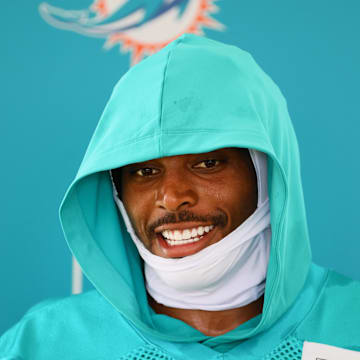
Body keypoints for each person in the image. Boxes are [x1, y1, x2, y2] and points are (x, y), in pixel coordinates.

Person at [1, 34, 360, 359]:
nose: (172, 197)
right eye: (145, 171)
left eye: (207, 163)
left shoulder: (351, 327)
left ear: (267, 175)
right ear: (116, 191)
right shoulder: (44, 346)